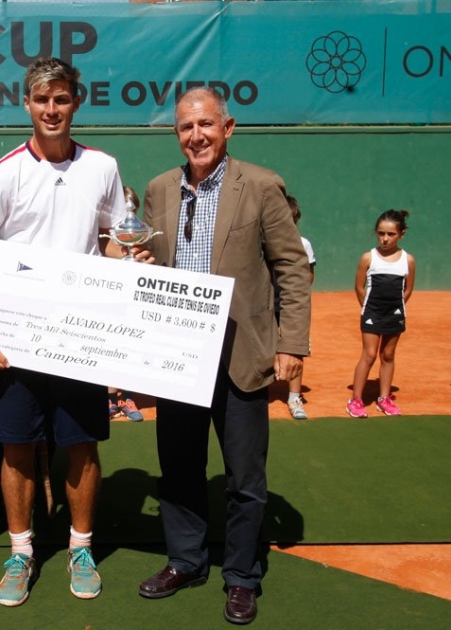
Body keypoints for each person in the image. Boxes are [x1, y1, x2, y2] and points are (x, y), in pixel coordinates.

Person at [0, 57, 130, 607]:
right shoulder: (3, 172)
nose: (51, 109)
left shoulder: (103, 167)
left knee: (80, 446)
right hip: (16, 342)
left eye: (61, 99)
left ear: (75, 103)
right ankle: (22, 550)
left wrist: (124, 257)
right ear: (26, 105)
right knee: (17, 449)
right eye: (41, 100)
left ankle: (80, 547)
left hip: (78, 340)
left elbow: (114, 240)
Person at [137, 87, 311, 625]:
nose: (197, 136)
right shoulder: (159, 189)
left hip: (242, 355)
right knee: (181, 469)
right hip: (178, 357)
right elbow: (150, 266)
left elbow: (292, 269)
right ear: (177, 134)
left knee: (244, 478)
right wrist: (139, 259)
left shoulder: (260, 185)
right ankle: (187, 560)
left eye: (206, 125)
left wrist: (290, 344)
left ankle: (240, 576)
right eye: (187, 127)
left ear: (228, 127)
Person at [346, 209, 415, 418]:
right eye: (381, 233)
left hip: (394, 312)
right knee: (369, 354)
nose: (385, 239)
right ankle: (356, 399)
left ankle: (384, 399)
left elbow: (408, 288)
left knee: (388, 355)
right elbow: (359, 287)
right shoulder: (369, 257)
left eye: (391, 234)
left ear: (402, 234)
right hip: (371, 311)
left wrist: (397, 307)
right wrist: (367, 308)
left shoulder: (408, 260)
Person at [108, 185, 147, 423]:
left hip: (133, 302)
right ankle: (109, 399)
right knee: (109, 346)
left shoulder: (139, 234)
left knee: (131, 347)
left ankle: (127, 397)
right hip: (108, 298)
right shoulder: (105, 236)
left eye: (130, 207)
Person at [277, 194, 316, 420]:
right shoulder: (261, 243)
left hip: (291, 306)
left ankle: (294, 396)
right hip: (265, 303)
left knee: (295, 348)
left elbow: (308, 276)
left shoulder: (304, 245)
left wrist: (292, 291)